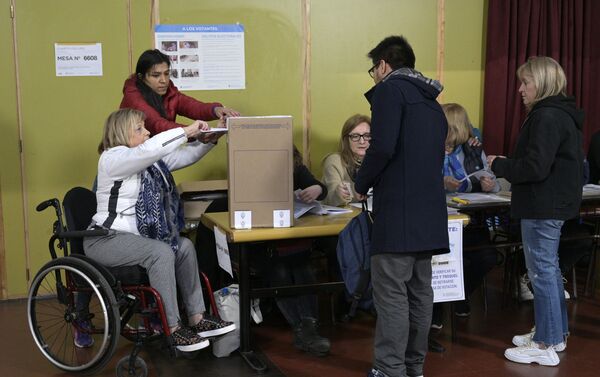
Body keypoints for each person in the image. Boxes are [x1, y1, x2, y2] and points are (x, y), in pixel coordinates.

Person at [83, 108, 235, 352]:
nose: (147, 132)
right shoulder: (112, 159)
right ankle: (173, 329)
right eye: (140, 129)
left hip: (136, 238)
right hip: (105, 239)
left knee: (183, 246)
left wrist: (213, 137)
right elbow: (152, 149)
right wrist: (187, 131)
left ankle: (198, 317)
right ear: (123, 133)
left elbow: (183, 157)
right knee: (161, 252)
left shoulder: (147, 161)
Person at [354, 36, 449, 377]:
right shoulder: (433, 103)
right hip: (430, 213)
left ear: (383, 65)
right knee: (420, 293)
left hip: (399, 214)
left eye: (373, 70)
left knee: (392, 295)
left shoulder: (390, 92)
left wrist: (360, 183)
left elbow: (381, 149)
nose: (374, 77)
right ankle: (413, 367)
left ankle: (388, 369)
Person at [488, 56, 584, 366]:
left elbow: (535, 167)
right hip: (551, 204)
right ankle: (554, 334)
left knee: (541, 273)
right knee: (549, 271)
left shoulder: (546, 117)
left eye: (525, 82)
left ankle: (544, 344)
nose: (520, 89)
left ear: (541, 84)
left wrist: (501, 165)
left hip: (542, 205)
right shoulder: (561, 114)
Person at [431, 103, 499, 328]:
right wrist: (441, 183)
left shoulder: (473, 149)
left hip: (471, 220)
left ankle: (461, 294)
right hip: (438, 220)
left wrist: (490, 185)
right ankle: (436, 309)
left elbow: (492, 180)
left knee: (488, 258)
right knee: (439, 262)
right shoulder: (427, 147)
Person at [120, 49, 240, 136]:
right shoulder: (133, 96)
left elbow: (191, 106)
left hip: (155, 153)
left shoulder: (169, 90)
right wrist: (194, 131)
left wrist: (216, 110)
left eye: (167, 74)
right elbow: (158, 125)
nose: (163, 80)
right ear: (141, 77)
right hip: (129, 158)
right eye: (156, 75)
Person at [322, 114, 371, 206]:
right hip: (343, 218)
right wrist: (338, 193)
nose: (362, 141)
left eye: (367, 135)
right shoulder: (335, 161)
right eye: (355, 136)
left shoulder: (382, 162)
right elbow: (330, 199)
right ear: (346, 140)